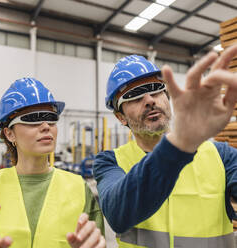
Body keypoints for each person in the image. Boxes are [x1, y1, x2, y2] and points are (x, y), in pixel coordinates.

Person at [93, 45, 237, 248]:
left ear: (167, 97)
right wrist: (179, 143)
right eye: (134, 96)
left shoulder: (221, 155)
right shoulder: (109, 162)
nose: (149, 100)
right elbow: (118, 214)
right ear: (120, 117)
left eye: (155, 90)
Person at [0, 77, 105, 248]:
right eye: (33, 118)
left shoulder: (79, 188)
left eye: (51, 117)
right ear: (9, 134)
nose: (46, 125)